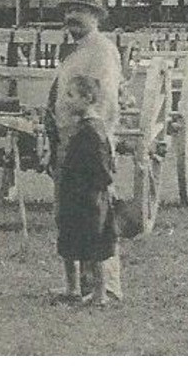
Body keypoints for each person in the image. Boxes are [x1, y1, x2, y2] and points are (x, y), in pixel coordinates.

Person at [48, 0, 125, 303]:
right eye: (68, 10)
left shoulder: (102, 51)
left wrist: (89, 136)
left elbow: (101, 99)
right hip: (68, 141)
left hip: (89, 143)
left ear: (95, 16)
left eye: (80, 10)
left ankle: (106, 288)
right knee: (69, 218)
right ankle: (76, 286)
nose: (72, 17)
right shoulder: (77, 50)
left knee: (96, 221)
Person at [54, 74, 117, 307]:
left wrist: (98, 189)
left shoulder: (92, 131)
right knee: (68, 241)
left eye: (71, 95)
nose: (66, 100)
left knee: (94, 246)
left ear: (87, 98)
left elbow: (102, 168)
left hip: (88, 198)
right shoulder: (83, 127)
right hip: (74, 195)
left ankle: (100, 294)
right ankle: (72, 289)